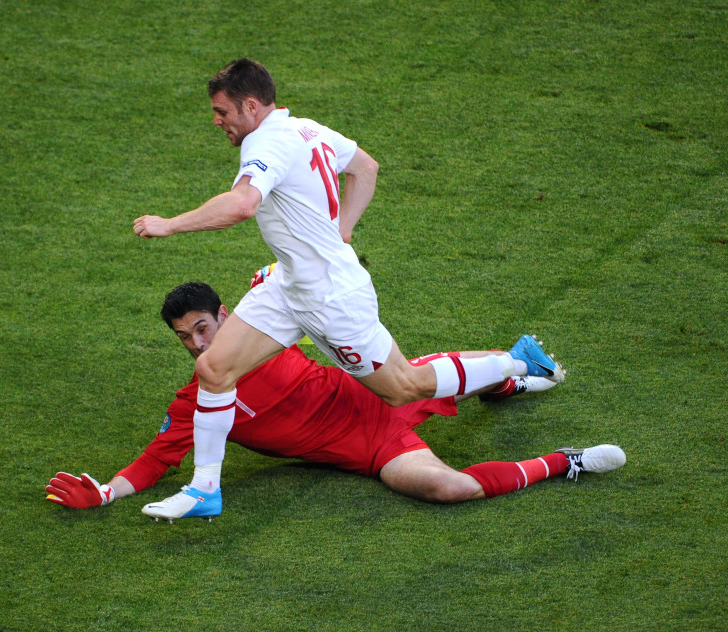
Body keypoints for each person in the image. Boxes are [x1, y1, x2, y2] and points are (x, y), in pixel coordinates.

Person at [132, 58, 566, 521]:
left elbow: (242, 205)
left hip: (330, 298)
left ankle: (517, 360)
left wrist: (169, 225)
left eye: (222, 111)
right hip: (289, 283)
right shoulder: (306, 129)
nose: (216, 121)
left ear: (251, 105)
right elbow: (366, 167)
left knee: (404, 387)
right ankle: (204, 490)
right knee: (215, 371)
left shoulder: (266, 142)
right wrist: (343, 231)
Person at [45, 282, 626, 520]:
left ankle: (507, 379)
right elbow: (154, 461)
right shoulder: (194, 402)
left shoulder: (267, 325)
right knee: (449, 489)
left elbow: (306, 284)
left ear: (225, 316)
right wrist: (103, 492)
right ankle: (565, 462)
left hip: (372, 388)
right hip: (372, 447)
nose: (199, 344)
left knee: (442, 376)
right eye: (186, 338)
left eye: (204, 328)